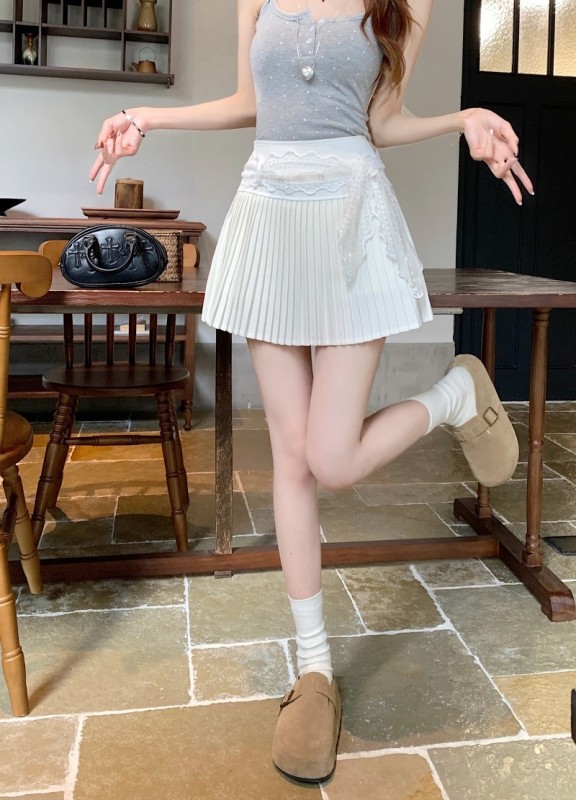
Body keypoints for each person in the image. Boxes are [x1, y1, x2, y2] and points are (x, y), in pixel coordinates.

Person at [90, 0, 534, 784]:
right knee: (292, 461)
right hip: (269, 215)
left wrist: (463, 118)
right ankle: (314, 670)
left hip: (353, 220)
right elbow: (251, 102)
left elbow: (381, 120)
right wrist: (145, 117)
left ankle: (454, 395)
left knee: (332, 458)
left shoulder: (405, 2)